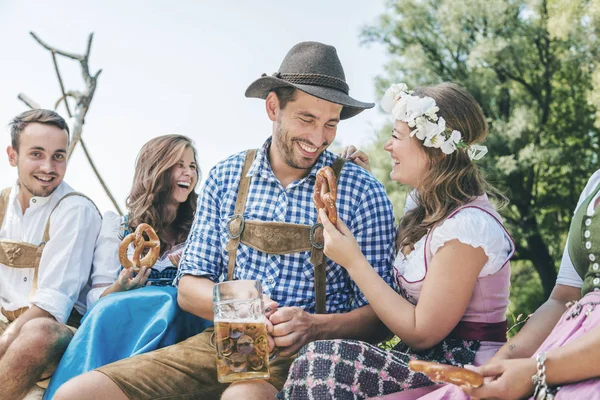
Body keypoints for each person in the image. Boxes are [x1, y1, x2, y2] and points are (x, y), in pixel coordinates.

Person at [53, 41, 397, 400]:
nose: (318, 138)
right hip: (231, 340)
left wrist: (313, 327)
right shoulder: (227, 176)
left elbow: (379, 316)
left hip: (311, 355)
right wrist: (244, 310)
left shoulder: (362, 192)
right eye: (306, 119)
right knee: (78, 393)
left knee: (241, 397)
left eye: (330, 124)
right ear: (273, 107)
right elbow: (188, 288)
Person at [278, 82, 515, 399]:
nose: (388, 146)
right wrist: (355, 177)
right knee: (323, 361)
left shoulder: (467, 229)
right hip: (427, 362)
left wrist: (353, 262)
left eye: (396, 137)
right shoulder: (426, 207)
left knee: (321, 361)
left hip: (465, 366)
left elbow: (421, 333)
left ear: (432, 149)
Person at [47, 135, 212, 398]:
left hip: (184, 328)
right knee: (105, 310)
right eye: (178, 164)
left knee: (172, 298)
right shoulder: (118, 229)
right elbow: (95, 301)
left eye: (192, 166)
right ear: (156, 169)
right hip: (130, 328)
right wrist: (120, 285)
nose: (188, 173)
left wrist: (194, 270)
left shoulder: (201, 230)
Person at [415, 169, 600, 399]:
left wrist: (537, 371)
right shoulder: (595, 182)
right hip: (559, 346)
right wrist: (503, 361)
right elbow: (561, 299)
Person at [0, 109, 102, 399]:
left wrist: (5, 339)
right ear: (12, 156)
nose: (48, 167)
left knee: (38, 333)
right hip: (6, 325)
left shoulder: (74, 210)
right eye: (36, 154)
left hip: (57, 334)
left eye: (58, 156)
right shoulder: (2, 204)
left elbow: (51, 305)